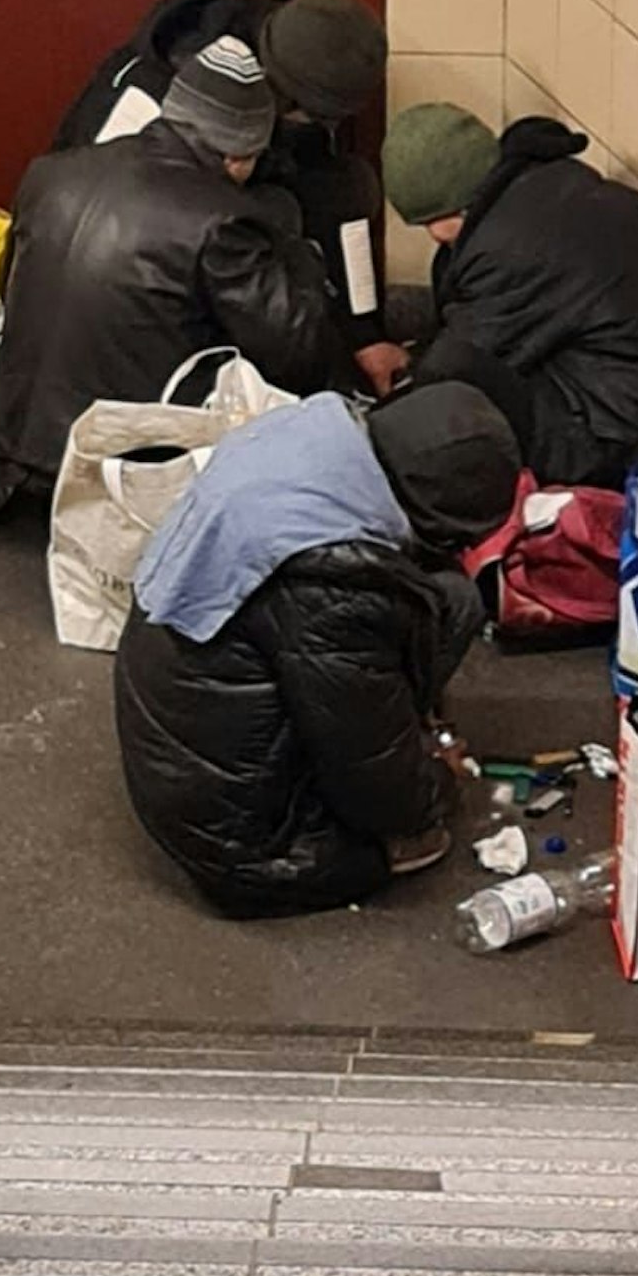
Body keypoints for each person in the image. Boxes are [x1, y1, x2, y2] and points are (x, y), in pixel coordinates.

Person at [114, 382, 522, 917]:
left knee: (451, 598)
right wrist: (438, 782)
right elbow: (374, 781)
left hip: (184, 735)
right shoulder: (335, 583)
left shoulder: (313, 439)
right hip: (244, 843)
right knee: (400, 817)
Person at [0, 36, 344, 503]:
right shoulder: (223, 220)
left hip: (12, 450)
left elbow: (11, 288)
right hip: (119, 475)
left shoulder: (50, 175)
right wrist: (299, 257)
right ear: (238, 154)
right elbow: (299, 355)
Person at [52, 0, 401, 395]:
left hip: (211, 271)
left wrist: (364, 334)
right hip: (124, 306)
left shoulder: (306, 51)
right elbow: (92, 217)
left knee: (343, 184)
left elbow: (335, 193)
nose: (320, 127)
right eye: (311, 116)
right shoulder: (146, 95)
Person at [379, 104, 638, 490]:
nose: (434, 234)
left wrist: (378, 422)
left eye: (435, 219)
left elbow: (459, 362)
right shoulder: (544, 185)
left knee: (445, 400)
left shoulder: (512, 249)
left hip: (625, 443)